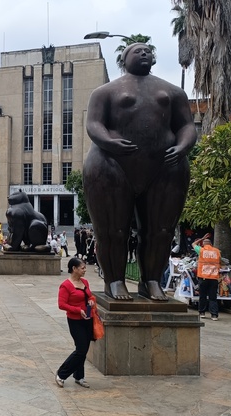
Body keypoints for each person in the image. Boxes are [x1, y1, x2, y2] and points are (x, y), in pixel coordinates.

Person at [83, 42, 197, 301]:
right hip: (111, 164)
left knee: (161, 230)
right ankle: (115, 281)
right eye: (136, 50)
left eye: (147, 50)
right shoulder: (105, 92)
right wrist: (110, 142)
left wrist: (182, 147)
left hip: (164, 166)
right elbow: (94, 124)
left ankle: (152, 280)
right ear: (124, 59)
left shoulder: (172, 92)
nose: (144, 52)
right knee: (113, 230)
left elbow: (187, 126)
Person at [55, 258, 95, 389]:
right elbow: (62, 304)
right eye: (82, 268)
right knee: (81, 349)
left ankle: (79, 376)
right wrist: (78, 310)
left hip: (88, 319)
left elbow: (89, 296)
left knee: (84, 350)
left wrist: (91, 301)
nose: (85, 270)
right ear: (74, 269)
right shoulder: (65, 285)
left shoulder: (85, 282)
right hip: (75, 320)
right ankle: (62, 374)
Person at [193, 234, 221, 321]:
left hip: (203, 277)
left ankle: (202, 313)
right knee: (213, 297)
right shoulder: (217, 251)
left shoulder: (201, 250)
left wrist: (201, 238)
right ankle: (214, 315)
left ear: (203, 244)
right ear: (211, 244)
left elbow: (193, 244)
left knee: (203, 296)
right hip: (214, 278)